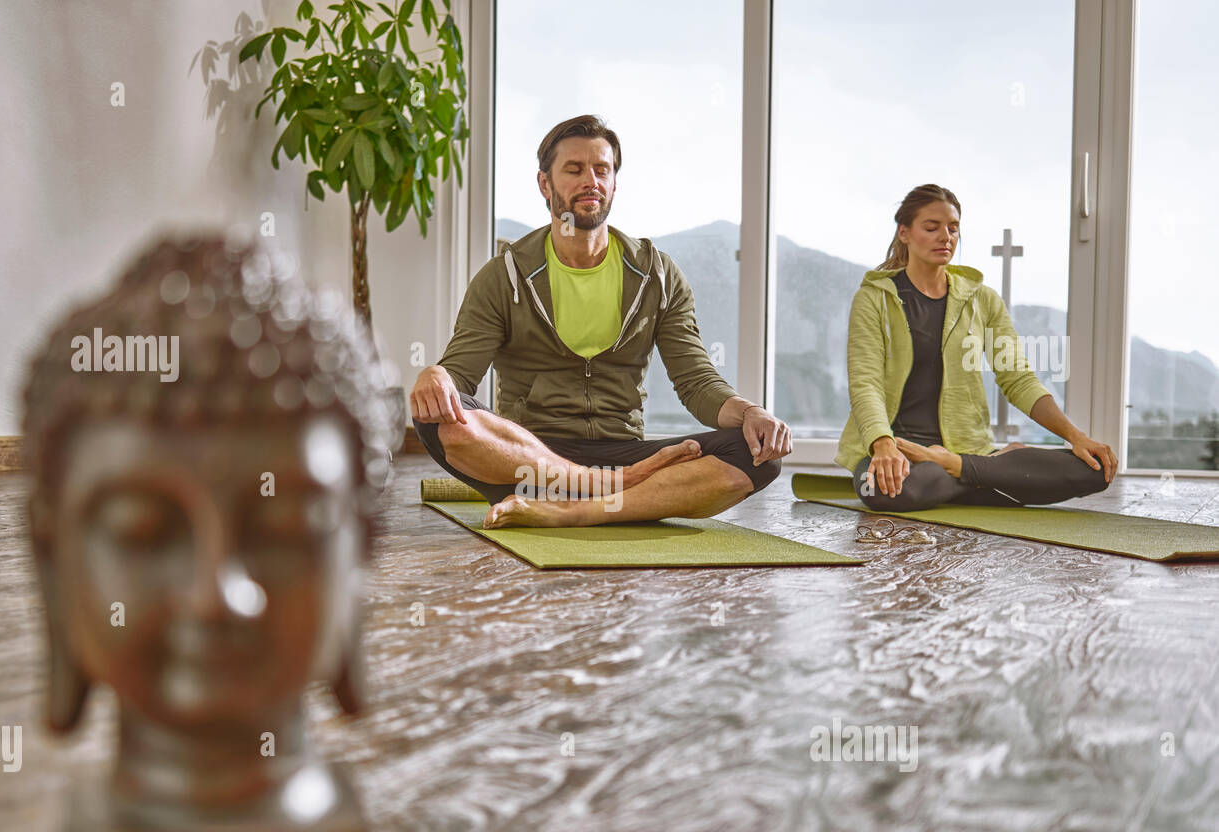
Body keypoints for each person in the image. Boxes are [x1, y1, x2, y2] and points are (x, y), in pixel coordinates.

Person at [410, 114, 790, 529]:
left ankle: (574, 511)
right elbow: (458, 378)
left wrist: (752, 412)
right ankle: (621, 492)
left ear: (613, 182)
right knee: (435, 415)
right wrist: (435, 375)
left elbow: (696, 382)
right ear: (545, 184)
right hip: (531, 462)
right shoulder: (504, 276)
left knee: (758, 453)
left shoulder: (657, 275)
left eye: (602, 170)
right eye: (574, 170)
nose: (590, 180)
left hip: (620, 451)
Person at [835, 183, 1118, 510]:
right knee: (889, 491)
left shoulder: (983, 299)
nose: (946, 236)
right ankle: (991, 475)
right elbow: (865, 382)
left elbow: (1018, 379)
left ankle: (962, 468)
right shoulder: (873, 298)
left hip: (965, 450)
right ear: (904, 233)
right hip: (895, 452)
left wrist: (1077, 437)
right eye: (932, 227)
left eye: (953, 229)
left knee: (1095, 471)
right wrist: (882, 445)